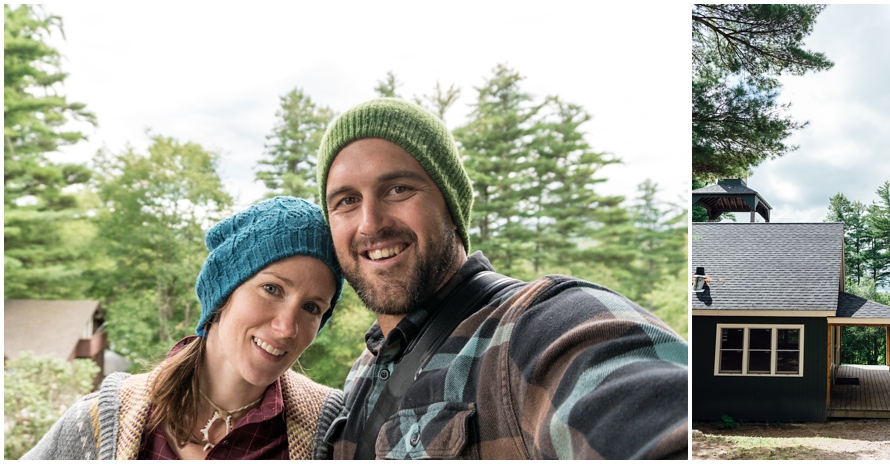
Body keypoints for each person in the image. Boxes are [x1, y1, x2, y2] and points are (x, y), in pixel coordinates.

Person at [317, 98, 688, 459]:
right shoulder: (362, 371)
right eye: (346, 201)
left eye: (398, 189)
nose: (370, 223)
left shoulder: (536, 329)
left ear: (451, 205)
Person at [23, 197, 346, 460]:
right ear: (224, 291)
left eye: (311, 308)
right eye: (272, 289)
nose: (287, 327)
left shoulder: (333, 431)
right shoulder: (103, 420)